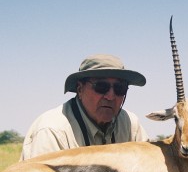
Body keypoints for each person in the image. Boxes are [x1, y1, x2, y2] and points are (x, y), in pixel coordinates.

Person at [21, 54, 149, 160]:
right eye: (101, 87)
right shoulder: (52, 130)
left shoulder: (130, 124)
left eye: (119, 88)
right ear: (80, 89)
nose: (111, 96)